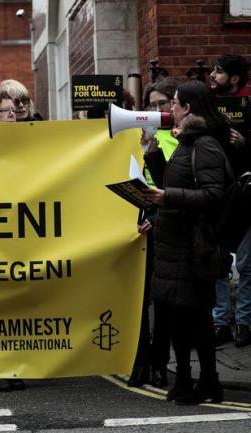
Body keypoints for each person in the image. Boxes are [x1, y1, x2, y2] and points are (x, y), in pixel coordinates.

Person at [143, 80, 229, 405]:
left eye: (174, 103)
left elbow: (213, 194)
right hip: (173, 244)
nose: (170, 109)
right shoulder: (186, 141)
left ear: (188, 108)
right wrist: (152, 152)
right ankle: (183, 379)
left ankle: (209, 382)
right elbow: (174, 178)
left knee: (197, 321)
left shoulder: (204, 144)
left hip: (191, 247)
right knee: (178, 319)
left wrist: (167, 196)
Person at [128, 78, 179, 389]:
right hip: (138, 222)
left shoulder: (178, 138)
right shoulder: (134, 135)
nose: (159, 110)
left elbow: (173, 186)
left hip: (164, 224)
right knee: (135, 298)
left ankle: (159, 363)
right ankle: (139, 361)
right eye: (153, 104)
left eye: (164, 103)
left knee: (161, 303)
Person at [209, 54, 251, 348]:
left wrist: (246, 144)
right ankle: (220, 322)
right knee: (219, 261)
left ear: (235, 78)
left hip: (247, 196)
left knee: (248, 263)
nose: (212, 75)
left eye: (219, 71)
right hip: (221, 195)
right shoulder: (210, 106)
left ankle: (245, 323)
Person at [0, 89, 25, 392]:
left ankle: (17, 364)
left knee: (17, 303)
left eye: (14, 110)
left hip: (20, 234)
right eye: (5, 110)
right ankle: (1, 366)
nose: (12, 114)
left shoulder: (28, 143)